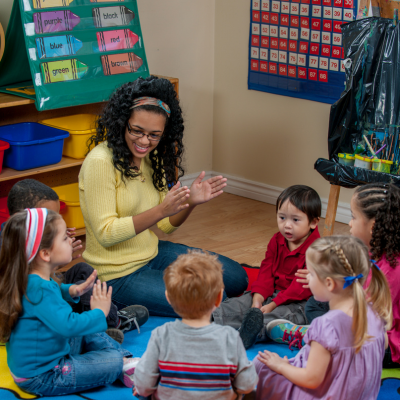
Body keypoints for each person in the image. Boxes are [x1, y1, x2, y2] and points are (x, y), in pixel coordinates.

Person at [79, 76, 248, 317]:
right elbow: (106, 234)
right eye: (137, 131)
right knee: (204, 302)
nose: (144, 142)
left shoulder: (152, 157)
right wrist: (161, 210)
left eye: (154, 135)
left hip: (152, 252)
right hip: (116, 275)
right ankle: (241, 316)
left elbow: (166, 225)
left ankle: (231, 309)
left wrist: (190, 202)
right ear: (122, 122)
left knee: (235, 278)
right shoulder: (100, 162)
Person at [0, 208, 140, 396]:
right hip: (44, 375)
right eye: (64, 238)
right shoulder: (39, 290)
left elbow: (52, 294)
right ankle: (121, 363)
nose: (71, 241)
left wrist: (72, 290)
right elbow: (68, 325)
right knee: (109, 357)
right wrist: (99, 312)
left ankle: (125, 363)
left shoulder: (30, 278)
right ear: (45, 254)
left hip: (48, 354)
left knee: (88, 330)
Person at [268, 183, 400, 368]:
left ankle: (312, 337)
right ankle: (318, 334)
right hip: (360, 317)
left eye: (354, 217)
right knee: (315, 303)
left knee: (340, 325)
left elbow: (367, 319)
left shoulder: (391, 270)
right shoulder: (372, 250)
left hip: (387, 344)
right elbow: (353, 278)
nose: (349, 223)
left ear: (373, 226)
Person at [1, 179, 149, 344]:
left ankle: (106, 320)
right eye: (49, 217)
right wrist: (53, 263)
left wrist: (57, 258)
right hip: (35, 308)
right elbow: (30, 289)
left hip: (47, 292)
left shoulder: (35, 240)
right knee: (83, 290)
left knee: (82, 270)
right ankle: (105, 324)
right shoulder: (7, 246)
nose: (53, 221)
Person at [255, 236, 392, 400]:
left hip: (326, 394)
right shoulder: (374, 312)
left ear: (329, 284)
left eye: (311, 274)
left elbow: (311, 379)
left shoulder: (326, 325)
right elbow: (382, 344)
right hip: (360, 394)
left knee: (261, 363)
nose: (308, 279)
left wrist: (280, 366)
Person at [132, 250, 258, 400]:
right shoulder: (229, 337)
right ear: (219, 298)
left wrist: (143, 389)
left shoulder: (161, 335)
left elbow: (144, 384)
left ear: (168, 299)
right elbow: (247, 384)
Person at [212, 185, 321, 349]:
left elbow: (300, 288)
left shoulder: (317, 249)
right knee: (241, 303)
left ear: (313, 222)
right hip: (273, 294)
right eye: (282, 218)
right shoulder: (276, 240)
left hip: (299, 302)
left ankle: (248, 334)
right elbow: (266, 271)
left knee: (277, 317)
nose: (287, 225)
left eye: (295, 220)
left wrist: (272, 305)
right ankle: (212, 318)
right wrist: (258, 298)